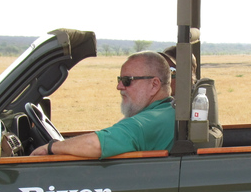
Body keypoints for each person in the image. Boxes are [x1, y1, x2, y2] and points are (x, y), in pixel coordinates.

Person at [30, 51, 175, 158]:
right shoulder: (165, 110)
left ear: (154, 85)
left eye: (127, 80)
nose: (119, 86)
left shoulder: (148, 122)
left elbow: (95, 144)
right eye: (120, 79)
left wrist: (50, 147)